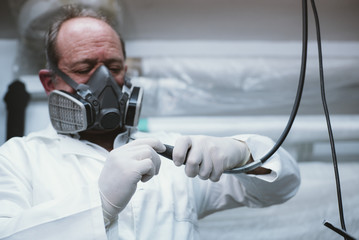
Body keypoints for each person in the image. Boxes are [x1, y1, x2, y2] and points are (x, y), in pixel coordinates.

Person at [0, 5, 300, 240]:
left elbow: (279, 188)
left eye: (114, 67)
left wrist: (242, 152)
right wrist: (99, 203)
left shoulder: (175, 153)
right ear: (50, 82)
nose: (104, 81)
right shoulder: (17, 159)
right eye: (84, 67)